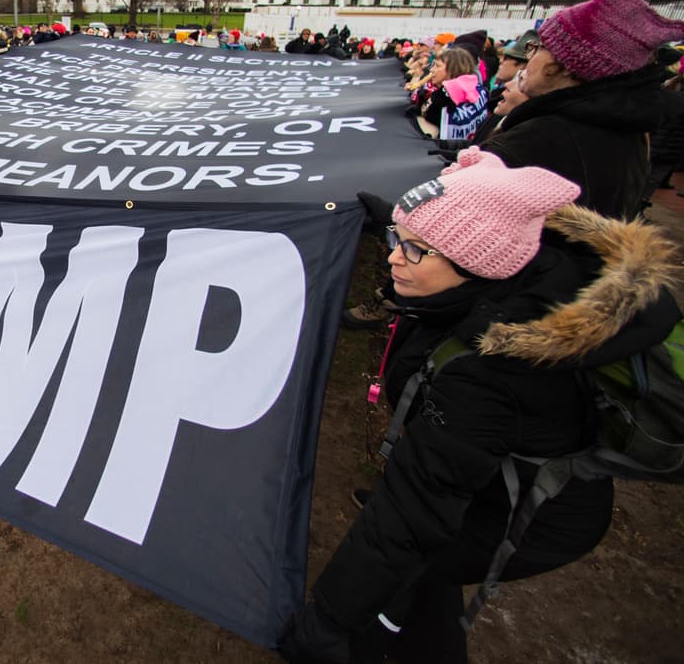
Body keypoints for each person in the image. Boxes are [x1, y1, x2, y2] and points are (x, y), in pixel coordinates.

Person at [281, 148, 681, 664]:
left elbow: (408, 518)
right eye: (396, 241)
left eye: (416, 250)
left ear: (478, 265)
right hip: (502, 483)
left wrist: (324, 624)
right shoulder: (520, 266)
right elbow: (460, 233)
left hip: (530, 517)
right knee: (419, 570)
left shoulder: (484, 374)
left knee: (413, 573)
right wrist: (403, 221)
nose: (393, 258)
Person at [482, 0, 684, 220]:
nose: (530, 58)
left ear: (566, 65)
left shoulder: (540, 138)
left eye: (537, 48)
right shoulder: (629, 128)